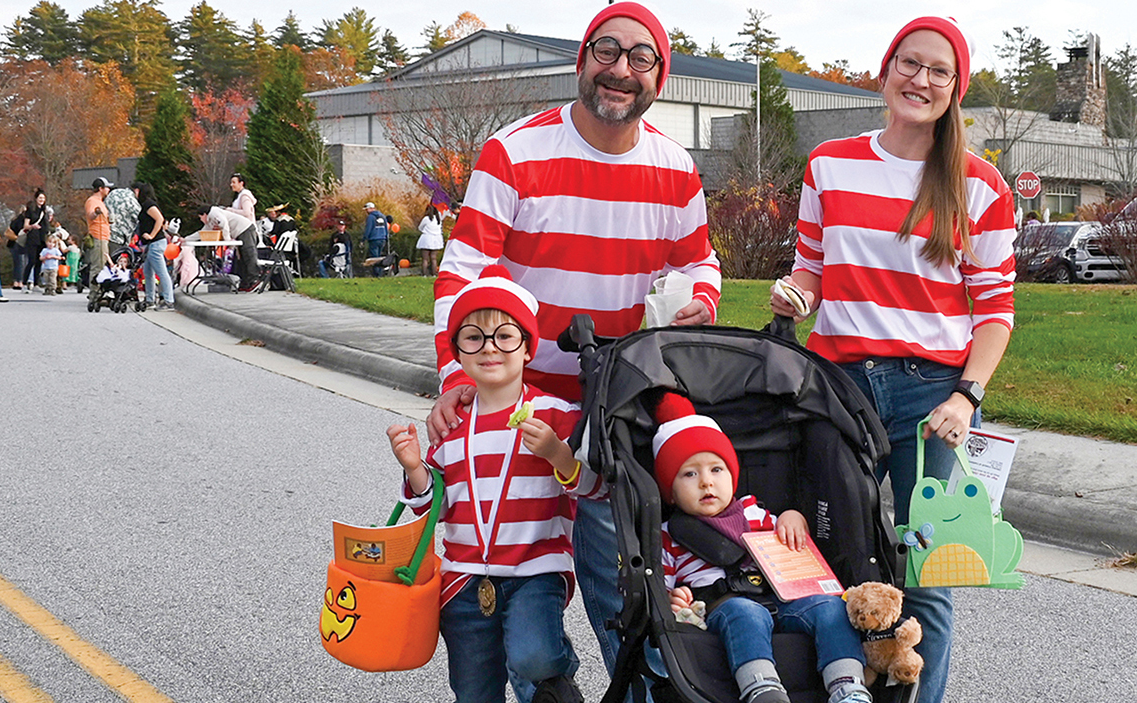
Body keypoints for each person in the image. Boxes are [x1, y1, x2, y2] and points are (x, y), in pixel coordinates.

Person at [427, 3, 721, 689]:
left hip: (615, 413)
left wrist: (700, 297)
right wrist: (454, 375)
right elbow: (463, 270)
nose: (620, 69)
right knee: (519, 601)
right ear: (582, 59)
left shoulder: (675, 169)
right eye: (606, 50)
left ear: (660, 75)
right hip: (517, 407)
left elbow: (697, 264)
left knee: (626, 599)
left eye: (639, 57)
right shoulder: (514, 152)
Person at [768, 17, 1016, 703]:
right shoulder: (831, 164)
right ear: (886, 71)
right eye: (910, 63)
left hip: (930, 395)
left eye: (940, 71)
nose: (922, 80)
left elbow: (996, 311)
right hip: (837, 383)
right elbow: (811, 271)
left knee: (927, 569)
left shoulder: (980, 184)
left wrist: (967, 396)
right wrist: (794, 294)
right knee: (830, 555)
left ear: (955, 89)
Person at [388, 266, 605, 703]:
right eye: (473, 338)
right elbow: (433, 507)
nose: (490, 349)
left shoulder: (555, 415)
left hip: (535, 570)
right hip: (464, 580)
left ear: (527, 349)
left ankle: (557, 687)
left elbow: (595, 487)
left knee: (535, 659)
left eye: (505, 336)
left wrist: (557, 454)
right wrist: (414, 469)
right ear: (459, 354)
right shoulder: (450, 426)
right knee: (472, 689)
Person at [653, 393, 871, 703]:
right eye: (690, 474)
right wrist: (672, 599)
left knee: (831, 608)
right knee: (744, 612)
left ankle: (848, 686)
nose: (706, 483)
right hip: (722, 605)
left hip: (781, 597)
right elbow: (660, 585)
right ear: (670, 493)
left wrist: (793, 517)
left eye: (717, 470)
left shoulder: (753, 513)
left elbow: (787, 534)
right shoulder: (669, 536)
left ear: (732, 476)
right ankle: (762, 687)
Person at [132, 181, 173, 310]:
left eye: (136, 190)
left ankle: (168, 300)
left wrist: (151, 234)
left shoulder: (149, 205)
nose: (134, 193)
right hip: (150, 245)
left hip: (155, 243)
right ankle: (150, 299)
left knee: (161, 272)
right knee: (147, 272)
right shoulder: (145, 205)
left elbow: (159, 219)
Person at [197, 205, 258, 290]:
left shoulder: (215, 213)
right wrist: (185, 239)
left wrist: (227, 241)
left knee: (248, 254)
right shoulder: (211, 219)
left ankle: (254, 279)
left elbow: (224, 225)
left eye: (200, 217)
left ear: (204, 214)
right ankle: (246, 283)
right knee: (241, 259)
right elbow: (202, 232)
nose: (201, 220)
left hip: (245, 229)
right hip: (238, 233)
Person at [20, 189, 50, 293]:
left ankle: (36, 284)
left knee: (39, 261)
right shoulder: (30, 210)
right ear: (36, 199)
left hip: (42, 238)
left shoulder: (45, 211)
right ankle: (24, 284)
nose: (42, 200)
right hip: (32, 238)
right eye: (40, 198)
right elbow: (25, 225)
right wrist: (32, 226)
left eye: (43, 198)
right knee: (31, 261)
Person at [85, 177, 114, 272]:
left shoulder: (101, 202)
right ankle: (95, 287)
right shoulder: (92, 201)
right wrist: (96, 213)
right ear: (100, 188)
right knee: (98, 266)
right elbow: (90, 215)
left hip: (104, 237)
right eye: (107, 187)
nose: (108, 189)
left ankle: (98, 286)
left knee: (102, 265)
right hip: (98, 237)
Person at [362, 202, 391, 277]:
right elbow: (386, 228)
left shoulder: (371, 217)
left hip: (374, 239)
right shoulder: (383, 216)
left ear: (370, 209)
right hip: (382, 239)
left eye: (367, 209)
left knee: (374, 257)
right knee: (379, 257)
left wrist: (364, 239)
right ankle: (381, 272)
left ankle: (377, 274)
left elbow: (368, 229)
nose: (366, 211)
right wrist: (386, 237)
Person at [416, 206, 445, 277]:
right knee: (433, 258)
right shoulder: (438, 219)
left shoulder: (426, 219)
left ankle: (424, 274)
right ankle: (434, 274)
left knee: (425, 259)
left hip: (426, 239)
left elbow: (420, 227)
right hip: (436, 239)